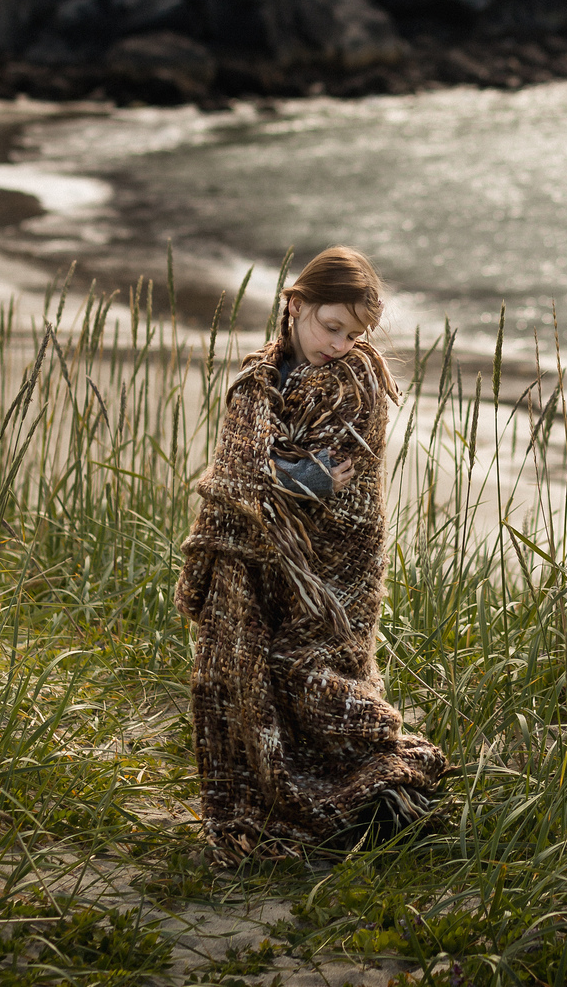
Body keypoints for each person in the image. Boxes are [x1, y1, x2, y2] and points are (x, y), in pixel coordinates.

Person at [173, 246, 449, 861]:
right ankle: (269, 800)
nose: (341, 344)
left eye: (355, 334)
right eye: (332, 327)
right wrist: (296, 477)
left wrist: (290, 477)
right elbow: (241, 469)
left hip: (334, 563)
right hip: (254, 558)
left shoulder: (356, 385)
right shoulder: (256, 384)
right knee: (243, 671)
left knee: (314, 672)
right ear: (295, 304)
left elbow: (346, 471)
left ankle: (377, 794)